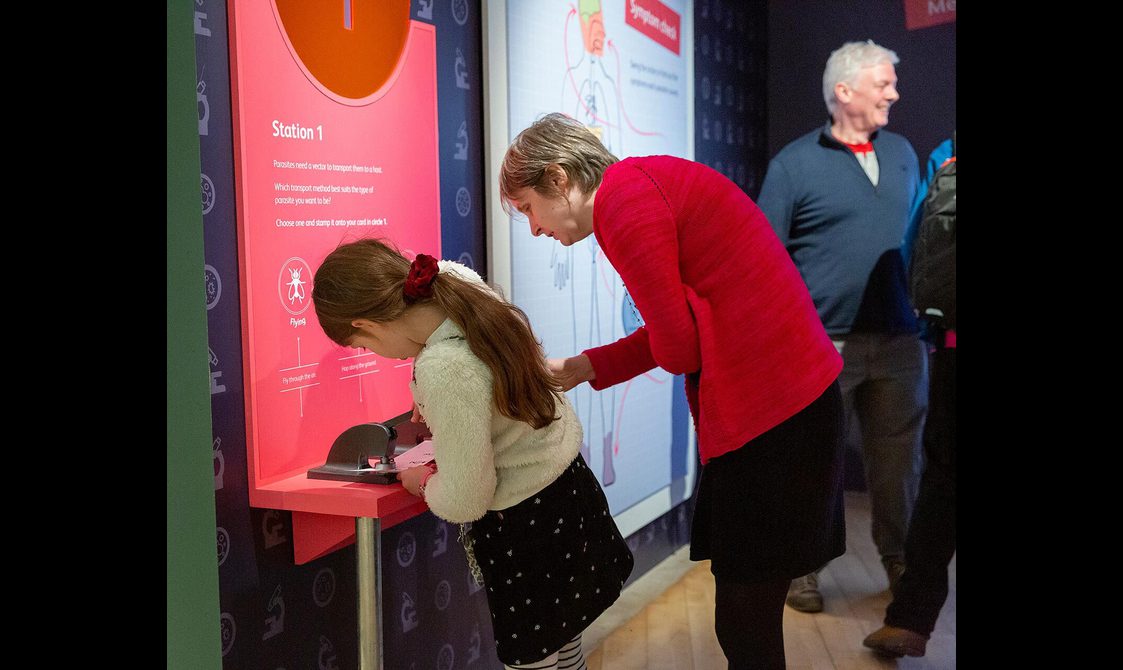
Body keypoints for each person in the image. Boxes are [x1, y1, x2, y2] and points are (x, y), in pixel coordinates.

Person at [500, 112, 846, 670]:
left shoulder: (623, 204)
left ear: (558, 178)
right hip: (789, 410)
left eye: (527, 209)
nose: (535, 228)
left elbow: (679, 348)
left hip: (776, 419)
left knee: (744, 621)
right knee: (747, 619)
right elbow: (681, 328)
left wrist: (594, 363)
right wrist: (585, 366)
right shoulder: (638, 187)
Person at [312, 238, 634, 670]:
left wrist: (423, 482)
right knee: (566, 640)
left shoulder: (442, 367)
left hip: (526, 524)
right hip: (568, 491)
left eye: (363, 346)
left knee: (535, 658)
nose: (374, 354)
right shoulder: (455, 283)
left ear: (366, 325)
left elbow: (467, 496)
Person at [757, 39, 928, 613]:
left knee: (899, 466)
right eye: (884, 84)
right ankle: (801, 568)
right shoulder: (793, 164)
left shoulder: (904, 152)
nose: (894, 94)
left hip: (902, 343)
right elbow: (763, 260)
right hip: (820, 348)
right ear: (844, 91)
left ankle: (900, 561)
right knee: (813, 464)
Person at [863, 136, 956, 658]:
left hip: (954, 348)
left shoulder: (948, 150)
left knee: (942, 485)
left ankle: (910, 621)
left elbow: (911, 245)